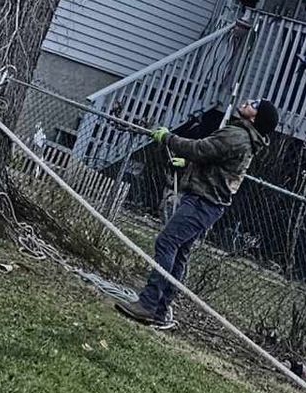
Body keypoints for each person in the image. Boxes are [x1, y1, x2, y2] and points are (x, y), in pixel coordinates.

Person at [115, 98, 278, 329]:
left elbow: (200, 149)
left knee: (167, 242)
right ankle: (160, 311)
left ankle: (148, 304)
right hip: (209, 202)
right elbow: (215, 161)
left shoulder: (237, 136)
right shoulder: (243, 136)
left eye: (254, 104)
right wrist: (188, 163)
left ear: (255, 117)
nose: (247, 101)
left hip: (203, 202)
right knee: (179, 252)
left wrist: (168, 138)